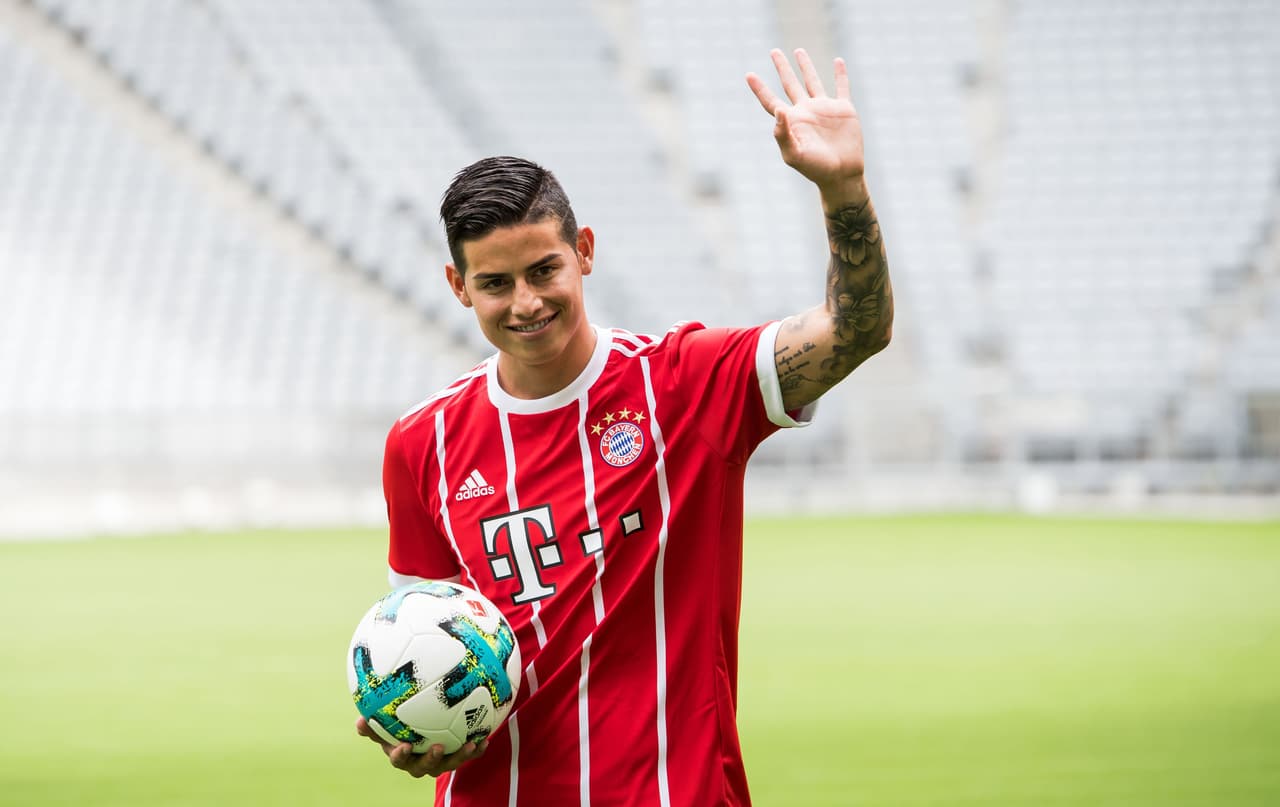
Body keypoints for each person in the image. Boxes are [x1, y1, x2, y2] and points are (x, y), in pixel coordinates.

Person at [356, 47, 893, 806]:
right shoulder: (423, 443)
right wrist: (408, 731)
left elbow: (856, 329)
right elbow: (424, 643)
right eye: (494, 283)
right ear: (457, 286)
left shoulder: (687, 381)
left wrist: (843, 187)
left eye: (544, 270)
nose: (526, 302)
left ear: (584, 253)